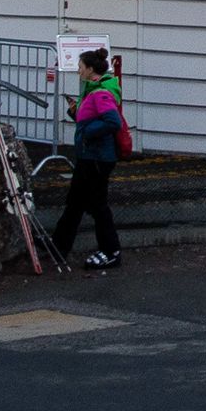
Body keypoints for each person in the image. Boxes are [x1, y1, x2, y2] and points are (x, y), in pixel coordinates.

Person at [52, 45, 126, 269]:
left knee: (96, 205)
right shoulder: (94, 90)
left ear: (91, 69)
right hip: (90, 156)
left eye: (81, 67)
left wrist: (87, 133)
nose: (78, 71)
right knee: (76, 202)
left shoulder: (100, 93)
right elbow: (93, 118)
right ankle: (58, 247)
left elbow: (112, 121)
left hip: (97, 158)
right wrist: (77, 113)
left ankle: (110, 250)